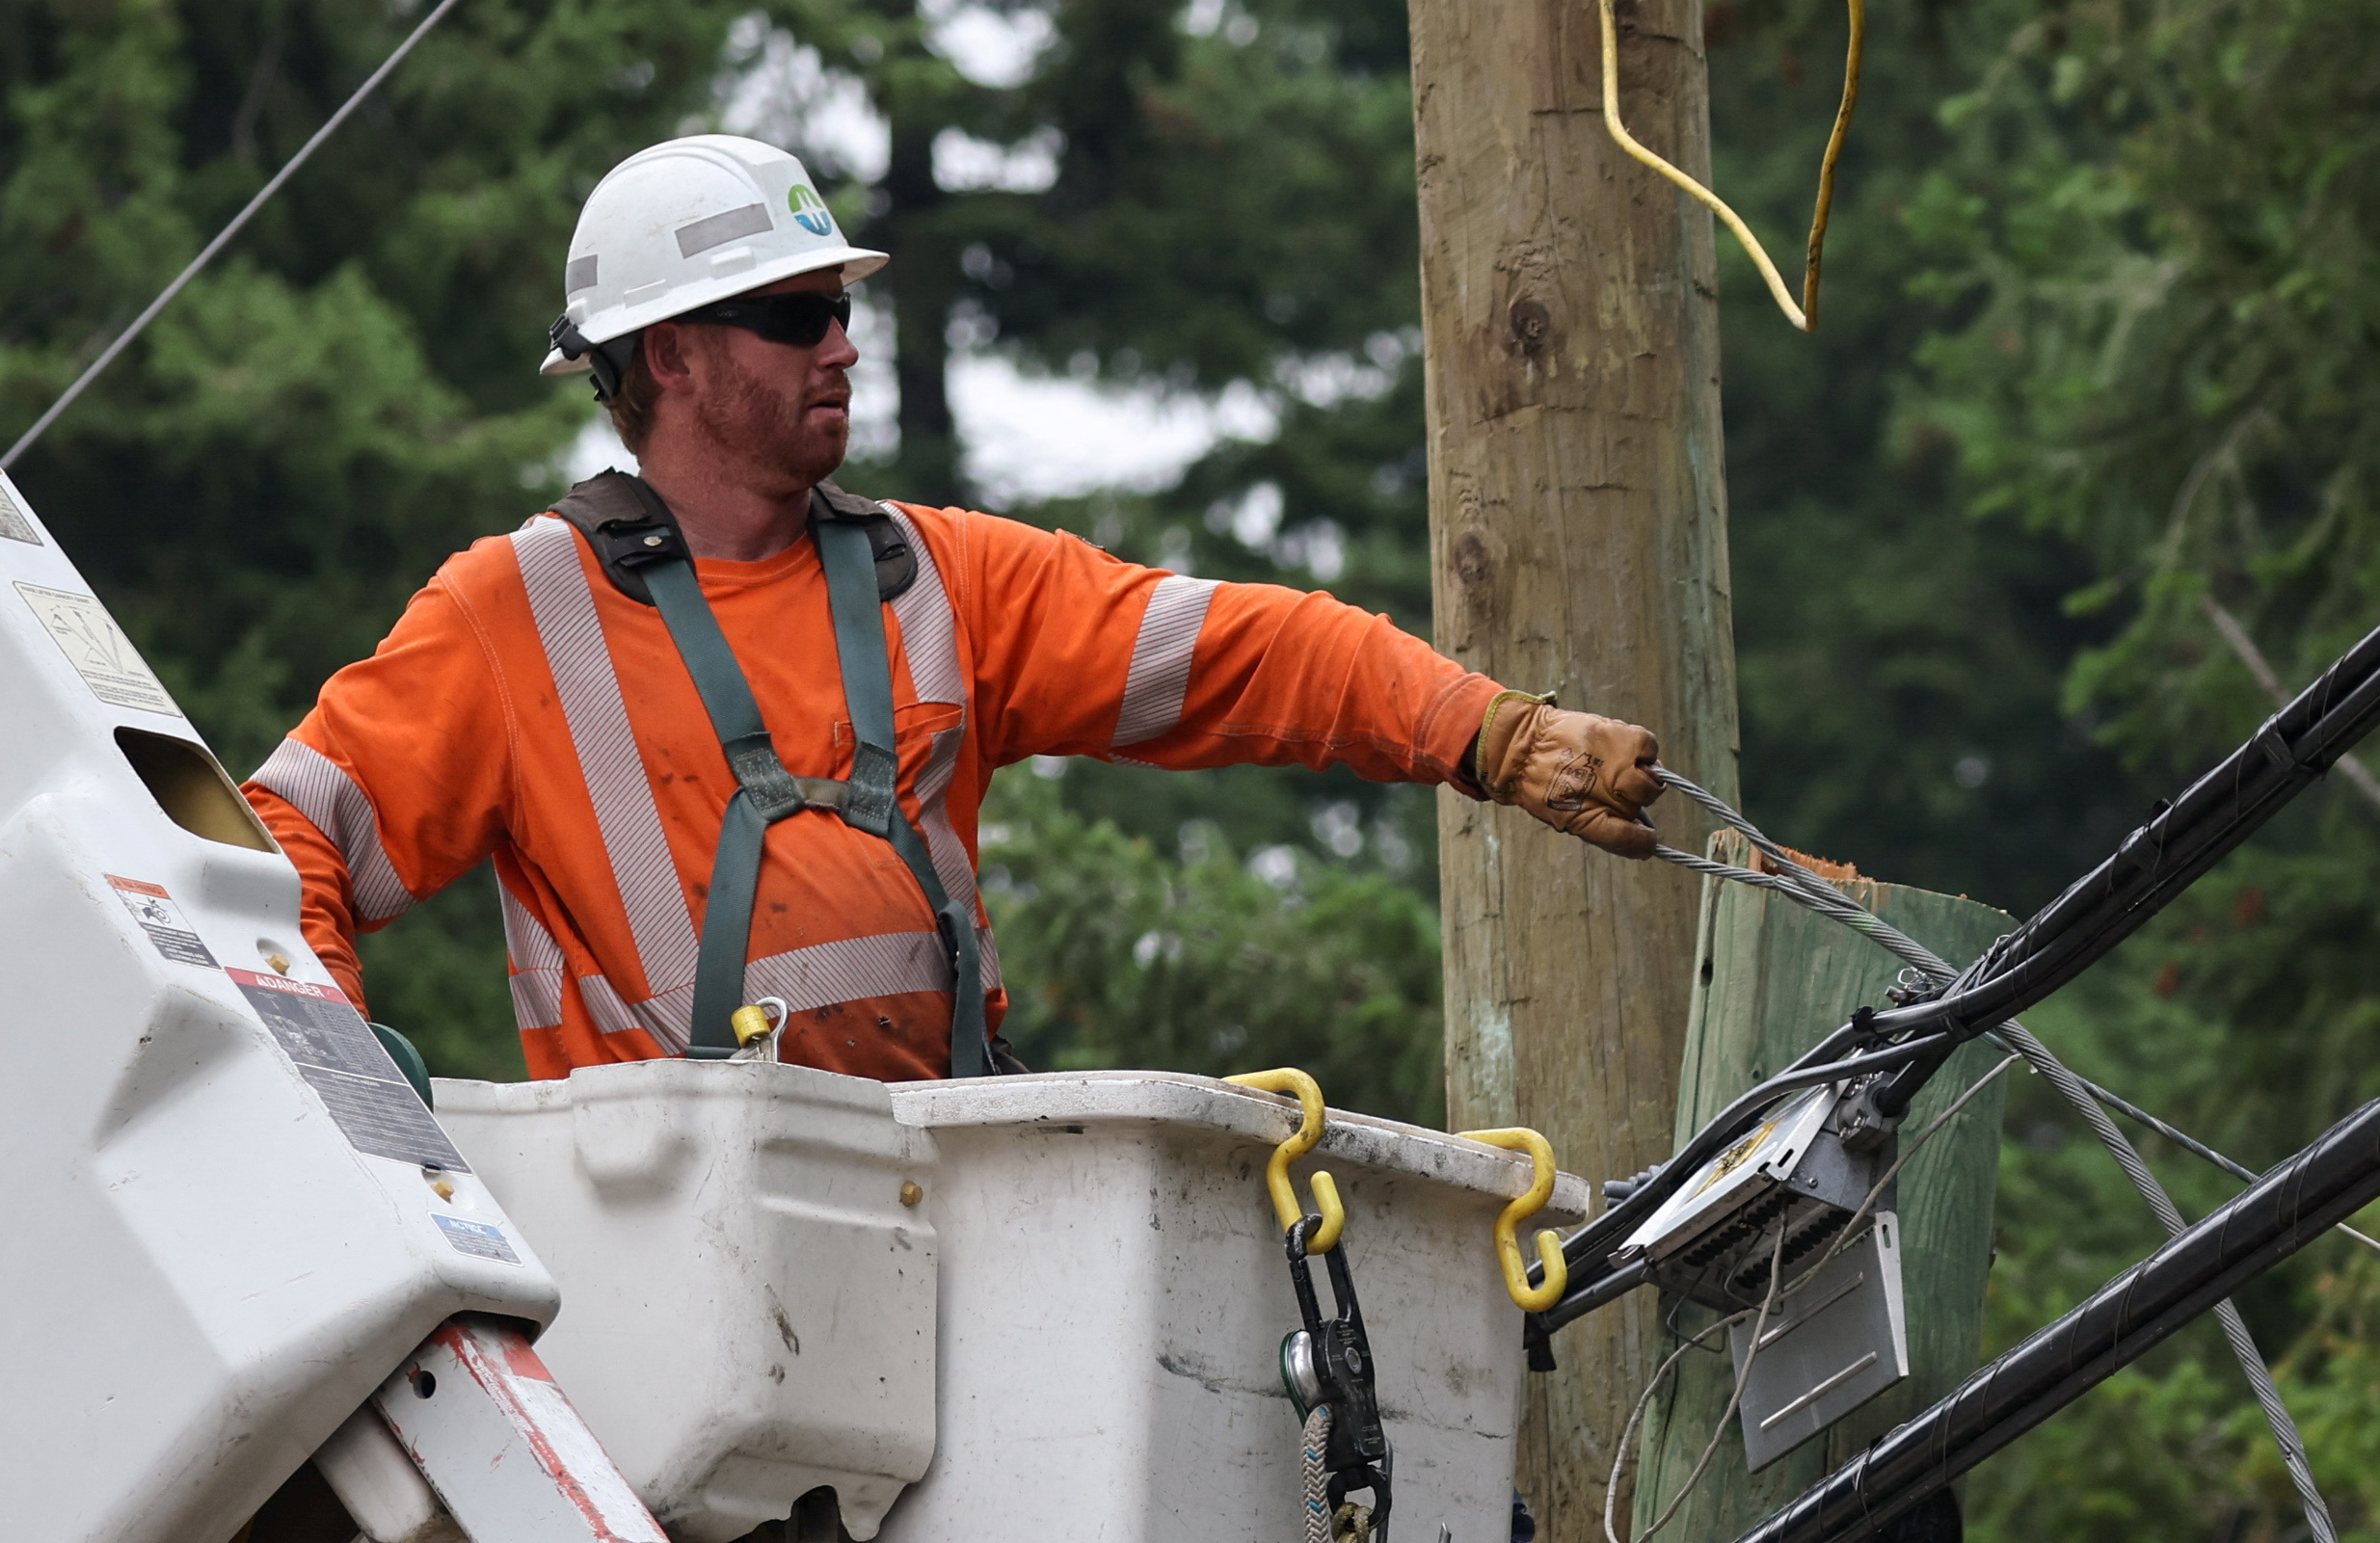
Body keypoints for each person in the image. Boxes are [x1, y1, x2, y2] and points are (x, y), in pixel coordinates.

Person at [242, 133, 1670, 1082]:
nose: (843, 344)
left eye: (840, 308)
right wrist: (337, 1089)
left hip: (944, 1221)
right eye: (796, 314)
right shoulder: (516, 613)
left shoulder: (935, 581)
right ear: (668, 355)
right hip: (672, 1261)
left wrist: (1489, 733)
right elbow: (280, 831)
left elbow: (1247, 649)